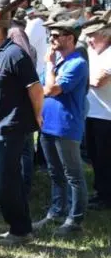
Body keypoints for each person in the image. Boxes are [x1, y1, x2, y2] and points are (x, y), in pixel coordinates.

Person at [0, 5, 43, 246]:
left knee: (5, 181)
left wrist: (38, 116)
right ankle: (20, 227)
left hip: (11, 128)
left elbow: (35, 88)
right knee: (7, 179)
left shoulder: (15, 54)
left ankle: (20, 231)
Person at [33, 18, 89, 236]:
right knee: (55, 172)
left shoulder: (77, 63)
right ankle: (56, 212)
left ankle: (75, 220)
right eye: (51, 35)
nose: (52, 39)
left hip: (66, 127)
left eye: (57, 35)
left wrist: (47, 63)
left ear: (70, 38)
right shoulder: (60, 62)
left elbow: (51, 89)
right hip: (48, 125)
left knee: (73, 175)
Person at [83, 15, 111, 210]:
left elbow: (98, 81)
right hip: (91, 112)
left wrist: (79, 78)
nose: (89, 39)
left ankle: (107, 196)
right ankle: (101, 191)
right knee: (94, 156)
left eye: (93, 35)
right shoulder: (91, 53)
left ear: (106, 35)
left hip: (107, 115)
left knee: (105, 157)